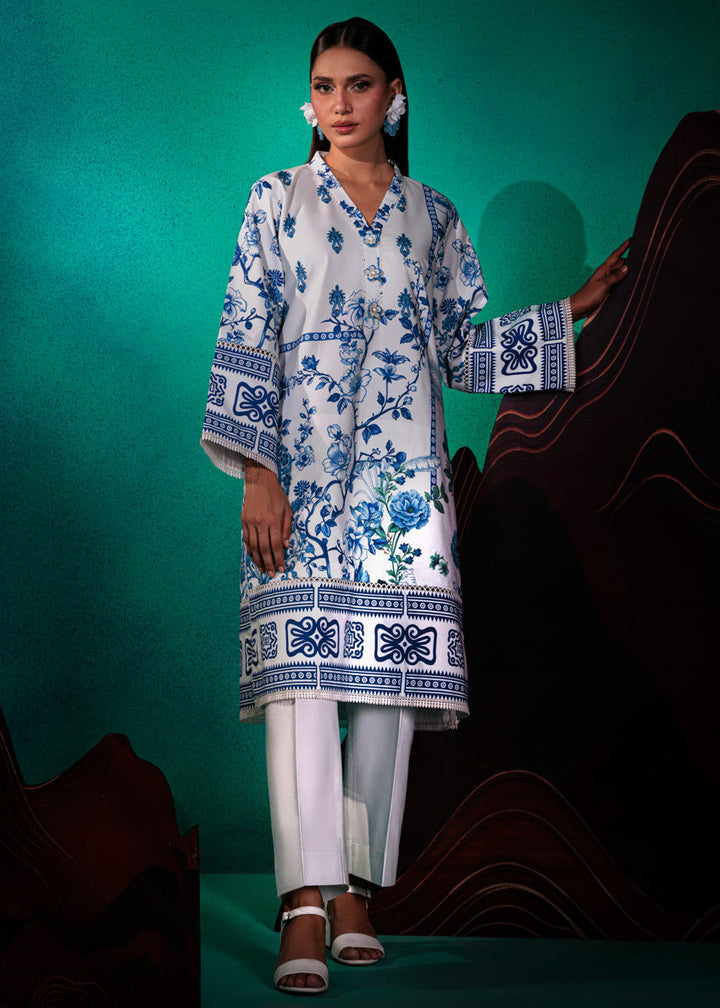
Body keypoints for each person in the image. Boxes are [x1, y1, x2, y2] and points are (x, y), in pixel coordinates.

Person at [201, 17, 629, 995]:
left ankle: (356, 892)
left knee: (387, 689)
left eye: (358, 84)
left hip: (402, 485)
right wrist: (256, 471)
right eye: (324, 85)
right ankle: (301, 902)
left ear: (395, 96)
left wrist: (569, 312)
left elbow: (462, 351)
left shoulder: (432, 216)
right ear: (308, 98)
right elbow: (244, 330)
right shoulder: (276, 200)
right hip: (299, 475)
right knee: (303, 684)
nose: (339, 103)